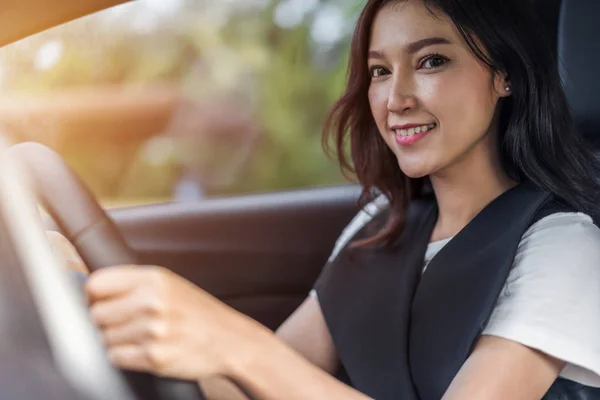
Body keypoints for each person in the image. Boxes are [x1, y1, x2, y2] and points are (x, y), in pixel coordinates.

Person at [49, 0, 600, 398]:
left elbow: (257, 362)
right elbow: (253, 386)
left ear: (503, 76)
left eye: (431, 61)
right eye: (380, 71)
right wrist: (96, 306)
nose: (396, 98)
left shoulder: (565, 245)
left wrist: (233, 340)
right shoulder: (382, 222)